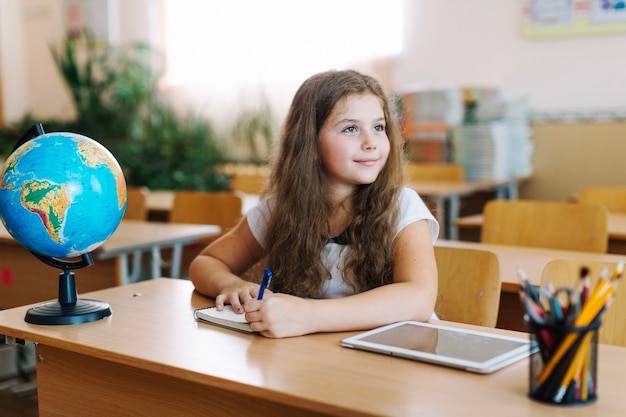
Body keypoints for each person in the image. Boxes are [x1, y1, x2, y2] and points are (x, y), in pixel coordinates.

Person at [189, 69, 439, 338]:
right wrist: (231, 284)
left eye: (379, 127)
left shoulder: (401, 205)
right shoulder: (279, 211)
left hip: (395, 356)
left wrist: (308, 316)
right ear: (310, 143)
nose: (371, 142)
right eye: (351, 128)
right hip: (318, 355)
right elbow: (206, 262)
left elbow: (418, 299)